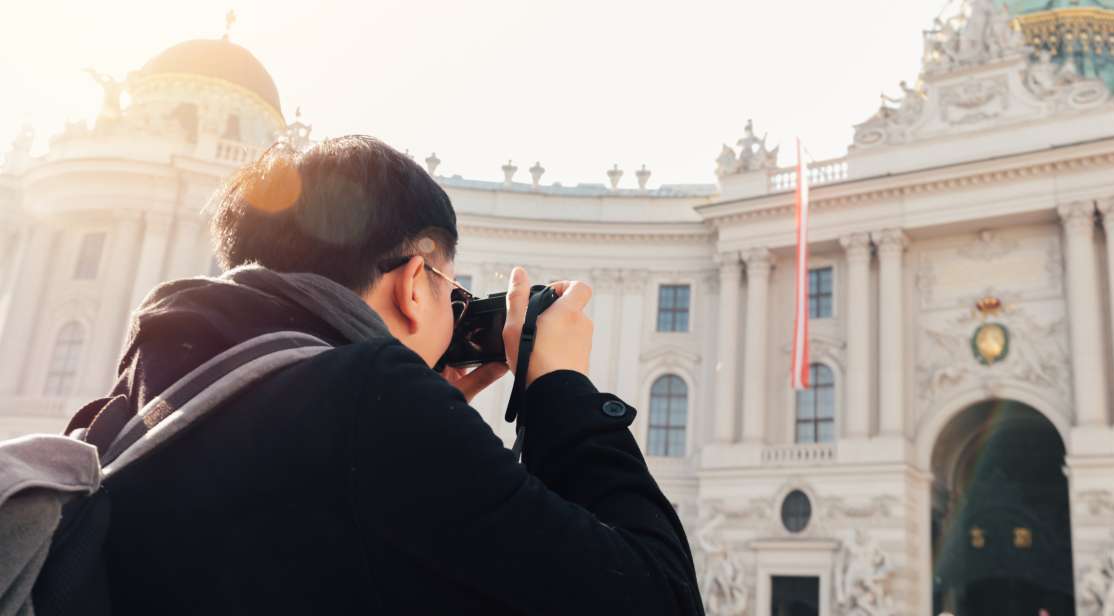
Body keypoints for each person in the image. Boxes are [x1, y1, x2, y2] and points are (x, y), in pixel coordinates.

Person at [100, 135, 703, 614]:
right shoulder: (374, 401)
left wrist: (435, 421)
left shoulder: (148, 384)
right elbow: (660, 596)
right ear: (414, 284)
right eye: (452, 292)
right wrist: (559, 390)